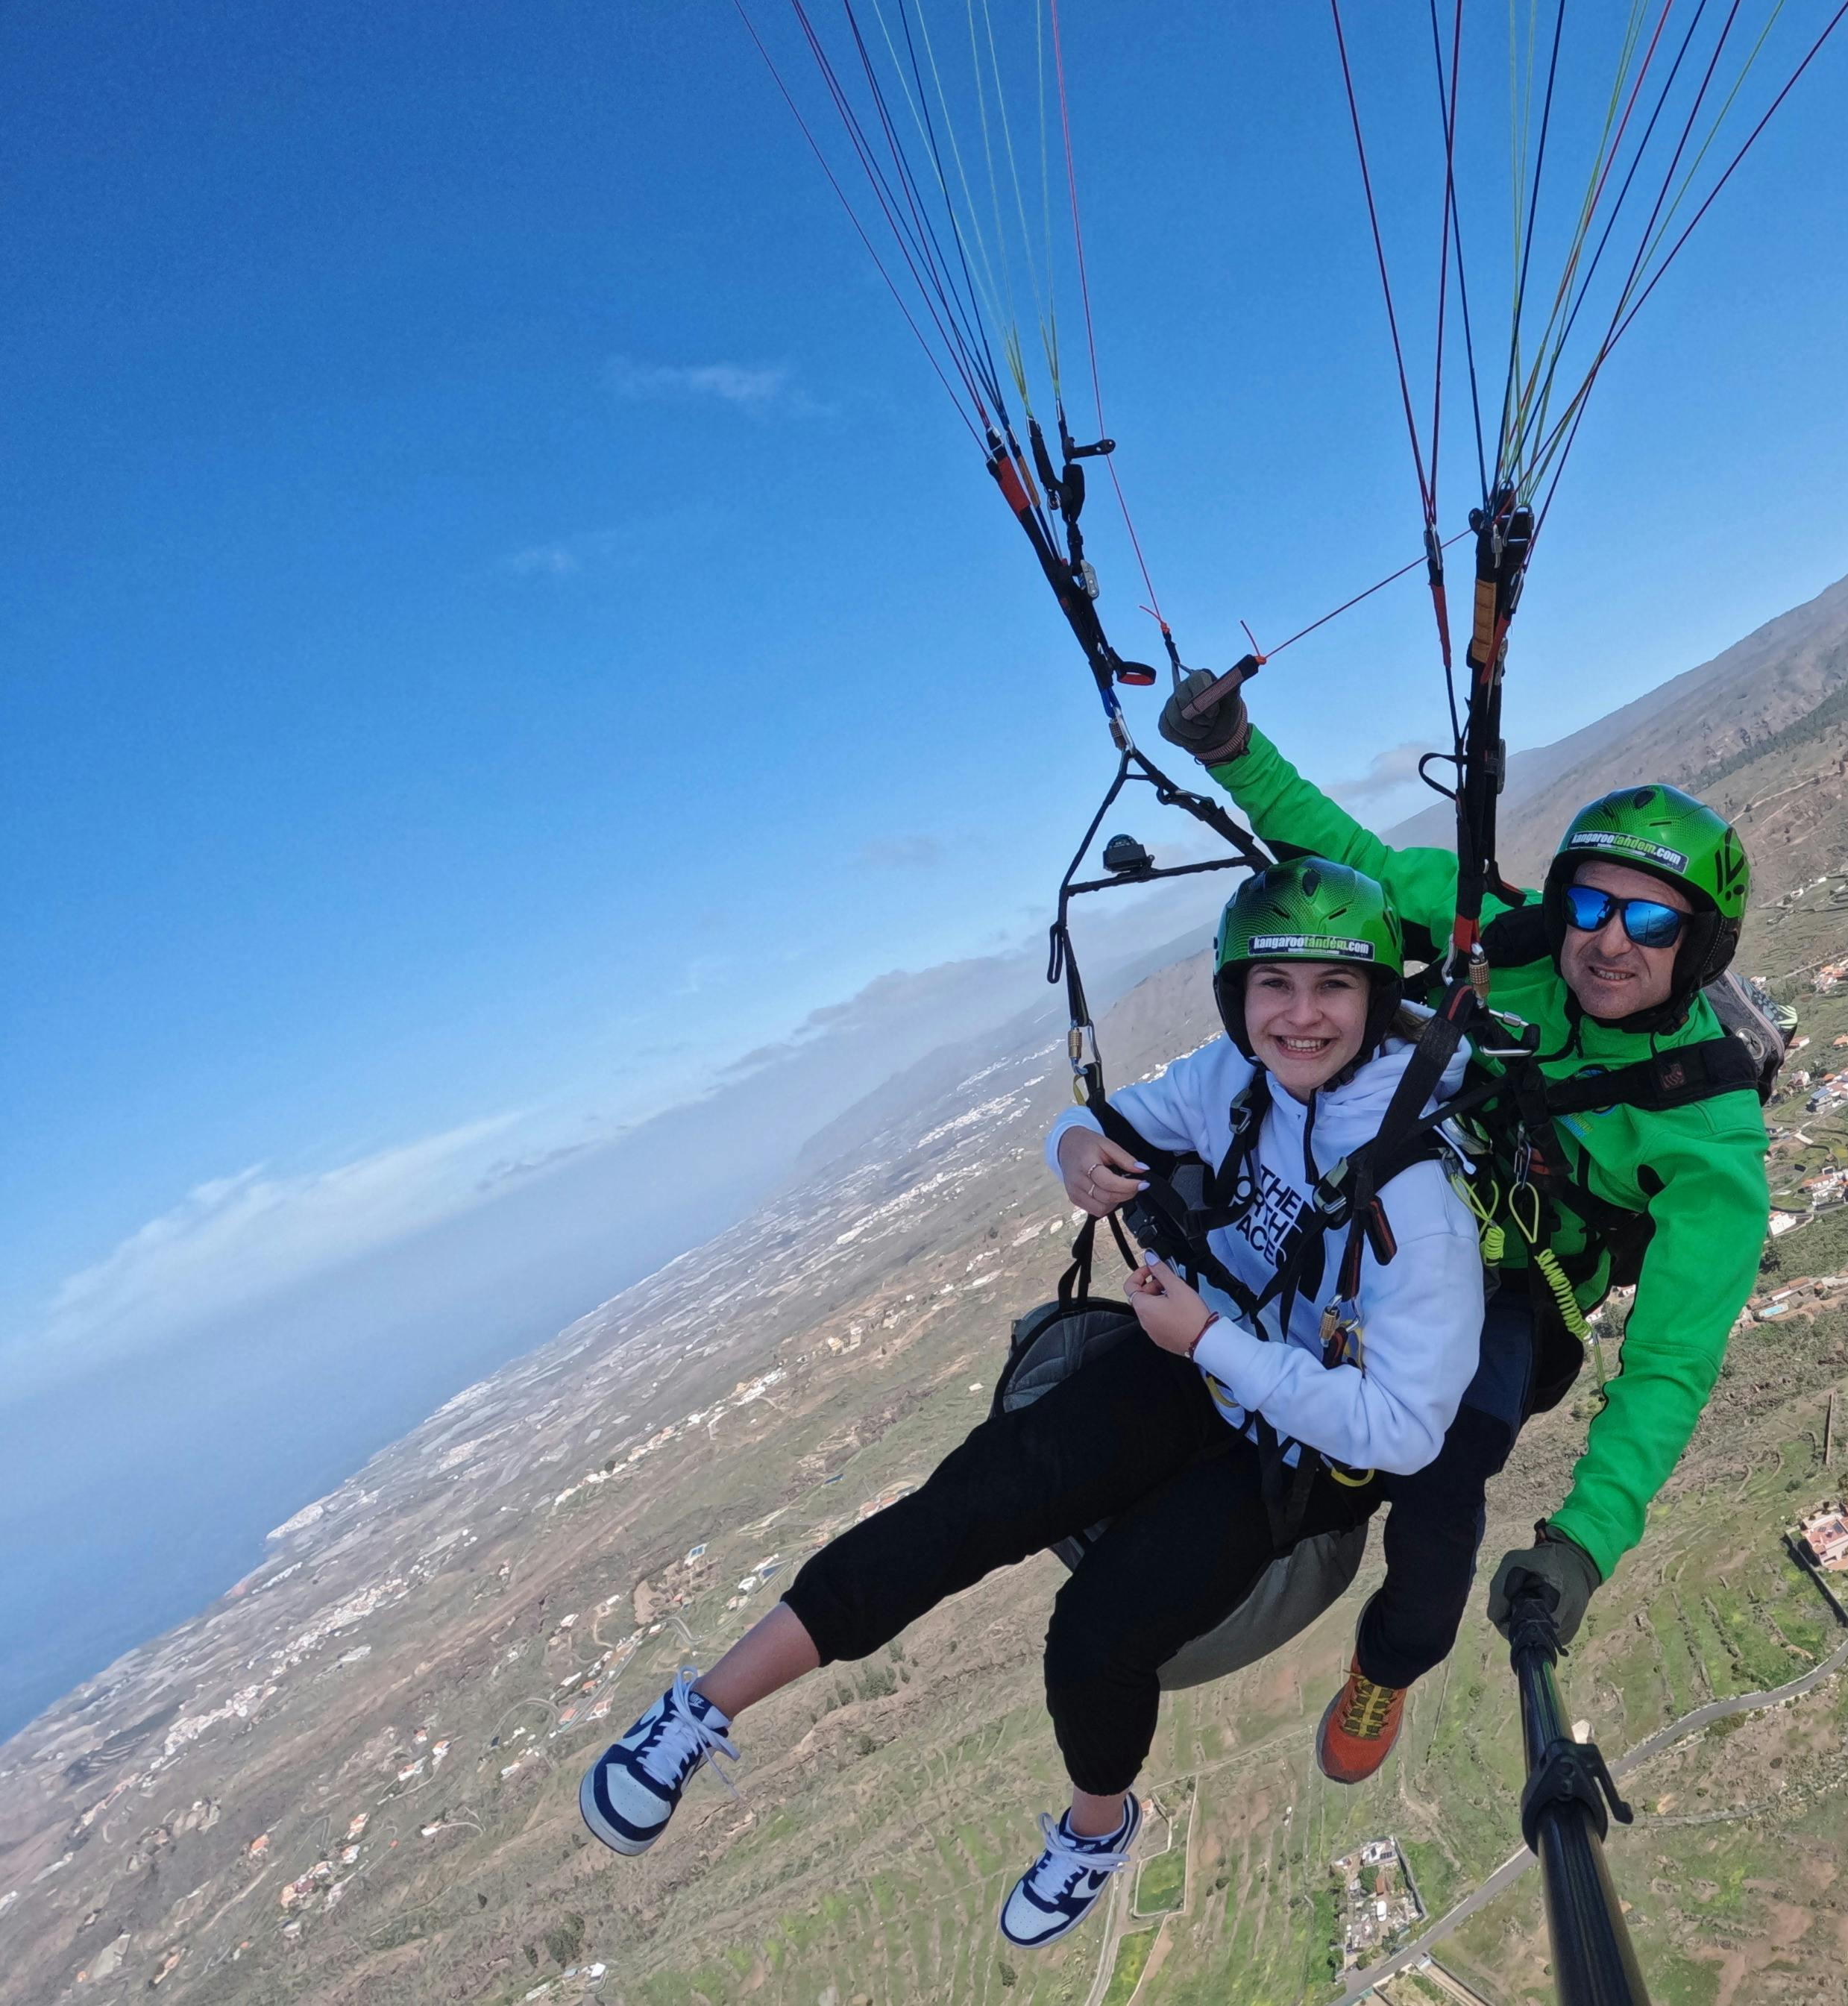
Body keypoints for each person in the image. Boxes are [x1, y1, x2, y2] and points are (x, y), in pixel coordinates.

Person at [577, 858, 1483, 1949]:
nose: (1300, 1015)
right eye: (1272, 985)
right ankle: (701, 1708)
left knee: (1093, 1637)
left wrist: (1207, 1338)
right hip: (1194, 1361)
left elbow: (1403, 1428)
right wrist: (1078, 1154)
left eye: (1332, 987)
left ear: (1377, 998)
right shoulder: (1238, 1083)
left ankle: (1097, 1829)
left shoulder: (1414, 1197)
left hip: (1296, 1454)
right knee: (977, 1494)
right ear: (1236, 998)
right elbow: (1108, 1120)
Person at [1158, 672, 1770, 1785]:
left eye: (1651, 921)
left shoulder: (1709, 1137)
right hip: (1404, 1197)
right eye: (1592, 904)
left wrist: (1584, 1543)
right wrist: (1236, 750)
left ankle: (1390, 1657)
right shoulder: (1510, 944)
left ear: (1701, 945)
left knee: (1442, 1484)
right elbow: (1357, 868)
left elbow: (1672, 1364)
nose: (1609, 943)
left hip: (1518, 1292)